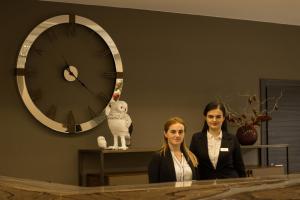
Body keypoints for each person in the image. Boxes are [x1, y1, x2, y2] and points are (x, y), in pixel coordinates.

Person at [190, 101, 246, 180]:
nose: (214, 120)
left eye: (218, 117)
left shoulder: (232, 139)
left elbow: (239, 166)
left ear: (223, 118)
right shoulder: (196, 138)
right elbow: (192, 165)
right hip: (205, 185)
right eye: (210, 116)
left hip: (229, 184)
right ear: (205, 118)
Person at [148, 117, 198, 183]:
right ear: (165, 134)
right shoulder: (158, 157)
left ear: (184, 134)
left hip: (190, 193)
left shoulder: (191, 156)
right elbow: (153, 185)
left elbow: (197, 181)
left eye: (180, 132)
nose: (177, 135)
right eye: (173, 132)